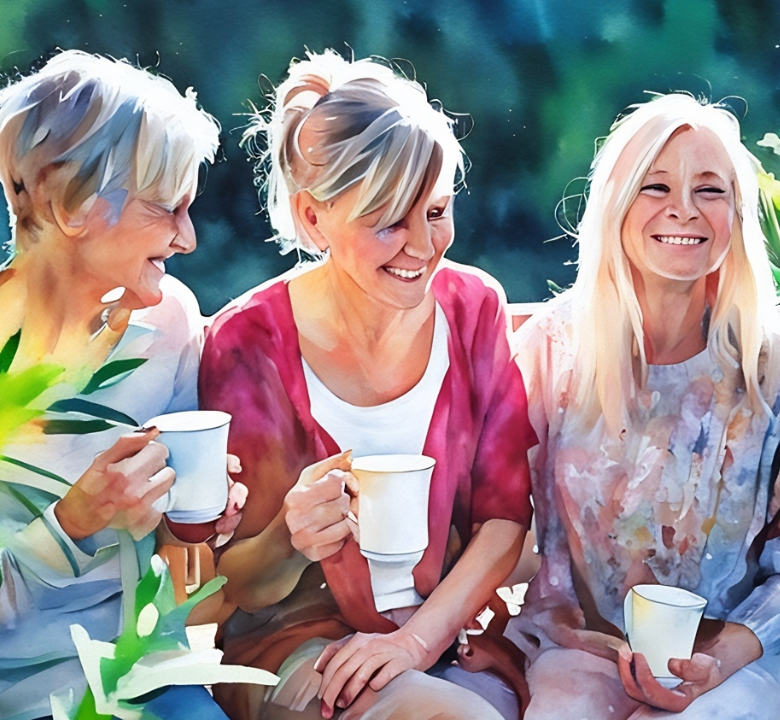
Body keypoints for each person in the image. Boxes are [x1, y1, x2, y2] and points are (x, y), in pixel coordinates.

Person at [0, 51, 242, 720]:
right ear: (73, 204)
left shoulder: (168, 321)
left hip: (147, 686)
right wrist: (70, 526)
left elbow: (180, 567)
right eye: (168, 209)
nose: (187, 239)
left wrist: (198, 522)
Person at [200, 50, 535, 720]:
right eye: (388, 220)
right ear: (313, 218)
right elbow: (237, 586)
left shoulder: (473, 309)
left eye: (436, 211)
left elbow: (504, 519)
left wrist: (415, 641)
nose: (423, 246)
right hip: (296, 648)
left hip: (444, 638)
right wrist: (291, 539)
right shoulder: (250, 343)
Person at [506, 94, 780, 720]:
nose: (683, 210)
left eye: (709, 190)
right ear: (615, 204)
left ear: (736, 213)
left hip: (739, 657)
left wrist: (724, 655)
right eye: (655, 186)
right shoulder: (552, 349)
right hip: (584, 645)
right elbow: (485, 508)